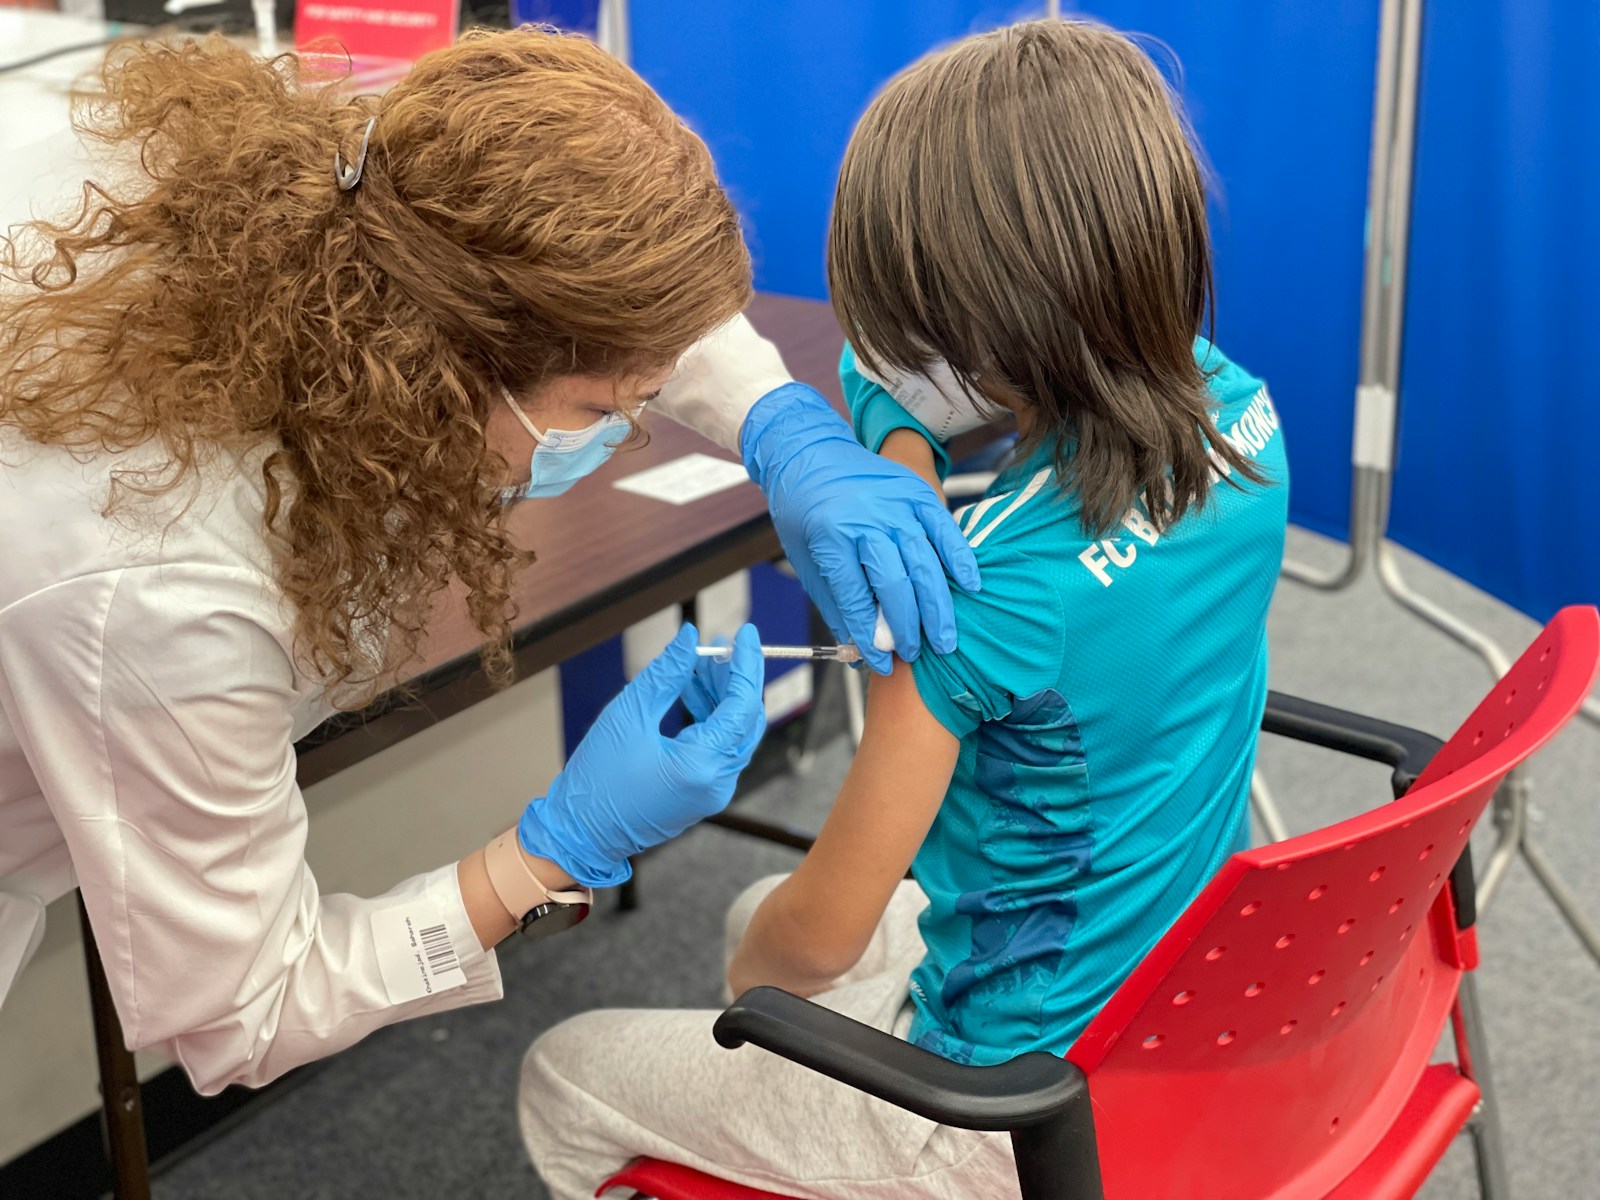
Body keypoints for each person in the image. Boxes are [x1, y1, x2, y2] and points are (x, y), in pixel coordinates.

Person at [0, 28, 976, 1092]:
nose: (630, 428)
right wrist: (548, 854)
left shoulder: (368, 195)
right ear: (434, 358)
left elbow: (582, 290)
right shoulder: (165, 588)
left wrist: (779, 421)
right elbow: (243, 1014)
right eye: (604, 411)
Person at [519, 18, 1290, 1199]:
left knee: (580, 1059)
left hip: (999, 1113)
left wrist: (755, 993)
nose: (887, 343)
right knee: (743, 907)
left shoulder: (969, 612)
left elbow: (812, 943)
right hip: (1173, 994)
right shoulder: (1239, 415)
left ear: (978, 326)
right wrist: (898, 471)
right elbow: (881, 378)